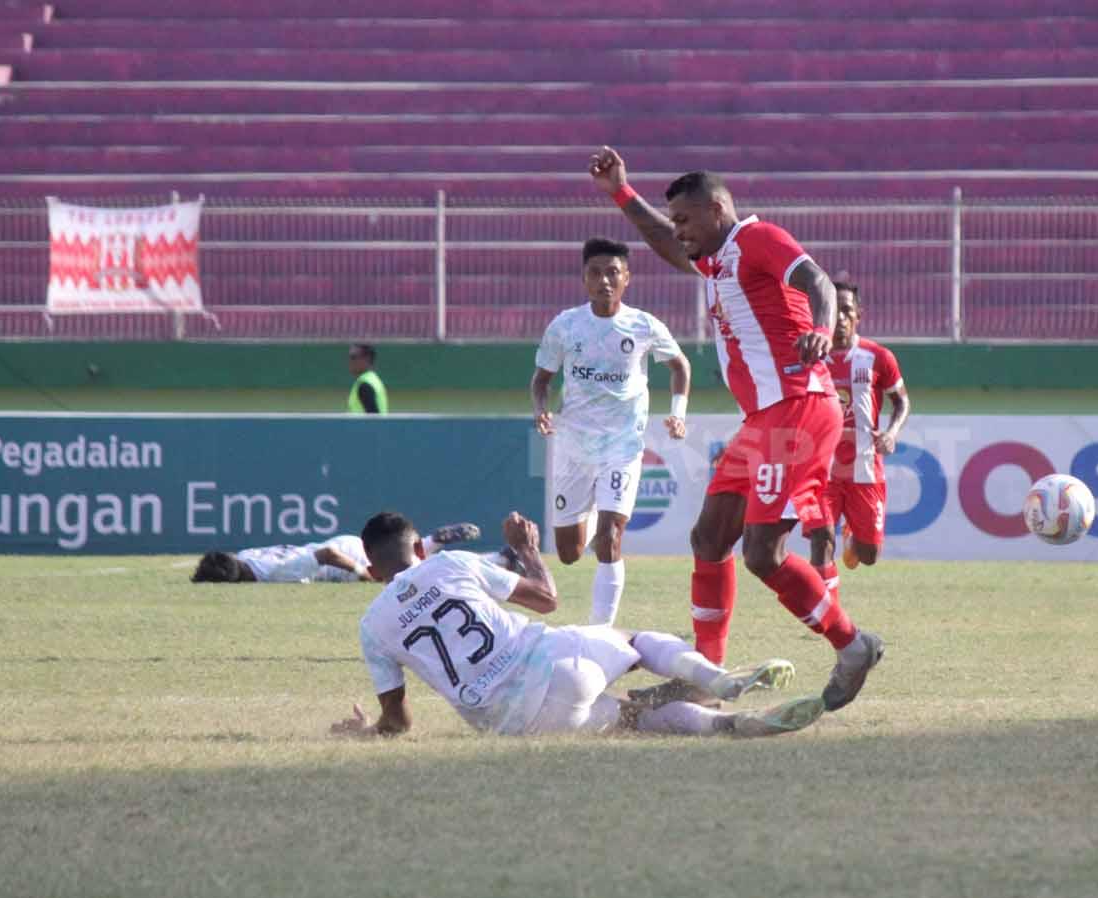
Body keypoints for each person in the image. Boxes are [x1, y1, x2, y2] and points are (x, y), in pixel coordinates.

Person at [588, 146, 884, 712]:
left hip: (798, 405)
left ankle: (852, 646)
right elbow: (667, 244)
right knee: (709, 538)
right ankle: (706, 675)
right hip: (763, 419)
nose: (679, 230)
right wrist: (622, 193)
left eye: (686, 219)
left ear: (717, 210)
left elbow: (817, 280)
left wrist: (823, 330)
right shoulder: (717, 260)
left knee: (763, 553)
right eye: (675, 220)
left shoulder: (757, 239)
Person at [329, 511, 826, 739]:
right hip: (552, 663)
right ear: (420, 548)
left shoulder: (372, 626)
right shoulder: (449, 563)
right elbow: (546, 599)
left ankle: (726, 726)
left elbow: (399, 722)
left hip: (514, 725)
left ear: (371, 568)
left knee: (635, 719)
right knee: (636, 640)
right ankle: (721, 681)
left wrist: (365, 731)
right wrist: (527, 550)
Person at [530, 237, 691, 626]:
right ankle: (592, 511)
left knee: (610, 538)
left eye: (612, 272)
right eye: (595, 272)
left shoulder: (643, 325)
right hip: (573, 446)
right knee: (569, 552)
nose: (604, 280)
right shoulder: (565, 326)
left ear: (626, 278)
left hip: (622, 447)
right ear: (584, 278)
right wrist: (541, 410)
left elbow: (680, 366)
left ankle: (600, 632)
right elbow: (541, 380)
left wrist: (678, 413)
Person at [809, 281, 910, 589]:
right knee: (821, 540)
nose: (840, 317)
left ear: (858, 315)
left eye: (847, 310)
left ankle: (853, 534)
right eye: (834, 310)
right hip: (821, 470)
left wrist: (891, 433)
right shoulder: (809, 357)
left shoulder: (878, 357)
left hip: (865, 468)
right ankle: (825, 611)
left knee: (868, 555)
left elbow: (901, 402)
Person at [191, 521, 482, 583]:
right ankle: (431, 541)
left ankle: (436, 544)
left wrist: (361, 573)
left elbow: (327, 554)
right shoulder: (245, 554)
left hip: (344, 559)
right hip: (344, 544)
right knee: (407, 561)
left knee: (409, 576)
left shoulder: (275, 572)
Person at [347, 343, 388, 414]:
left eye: (353, 357)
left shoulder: (365, 385)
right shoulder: (373, 380)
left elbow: (374, 418)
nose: (350, 361)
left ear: (367, 359)